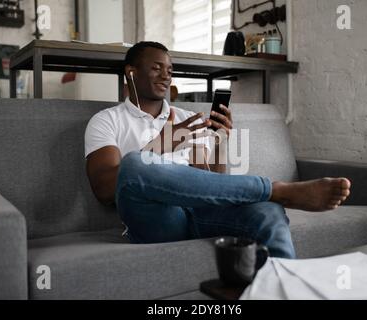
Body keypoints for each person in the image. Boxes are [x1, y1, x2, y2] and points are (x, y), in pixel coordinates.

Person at [84, 41, 351, 259]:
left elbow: (213, 184)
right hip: (158, 218)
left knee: (268, 211)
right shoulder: (107, 120)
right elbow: (106, 190)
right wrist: (161, 145)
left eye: (169, 69)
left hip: (202, 212)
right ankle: (275, 190)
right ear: (131, 72)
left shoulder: (188, 118)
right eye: (156, 68)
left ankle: (282, 288)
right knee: (136, 163)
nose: (166, 75)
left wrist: (221, 142)